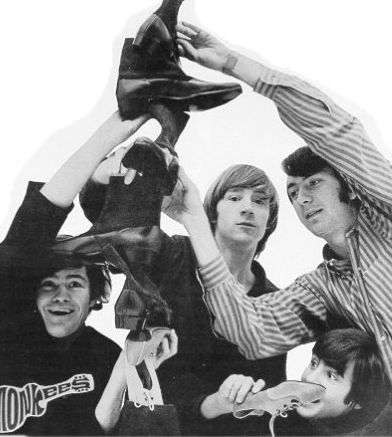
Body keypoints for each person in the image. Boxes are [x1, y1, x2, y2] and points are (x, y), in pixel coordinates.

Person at [168, 22, 392, 436]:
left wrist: (234, 63)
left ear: (349, 187)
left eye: (313, 184)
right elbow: (249, 332)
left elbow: (337, 132)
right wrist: (194, 220)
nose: (301, 198)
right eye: (292, 192)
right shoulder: (323, 288)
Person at [0, 112, 177, 435]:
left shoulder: (103, 354)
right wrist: (120, 125)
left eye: (75, 283)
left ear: (95, 296)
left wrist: (128, 364)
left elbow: (94, 430)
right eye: (49, 284)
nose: (61, 294)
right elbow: (29, 231)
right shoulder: (7, 328)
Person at [83, 155, 287, 435]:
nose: (248, 208)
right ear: (212, 212)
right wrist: (106, 172)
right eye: (235, 198)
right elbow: (110, 226)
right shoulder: (172, 255)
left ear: (270, 221)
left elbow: (271, 400)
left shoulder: (275, 304)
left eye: (260, 201)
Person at [203, 329, 392, 436]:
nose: (310, 378)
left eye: (332, 376)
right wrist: (220, 403)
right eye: (314, 363)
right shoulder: (284, 417)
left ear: (358, 399)